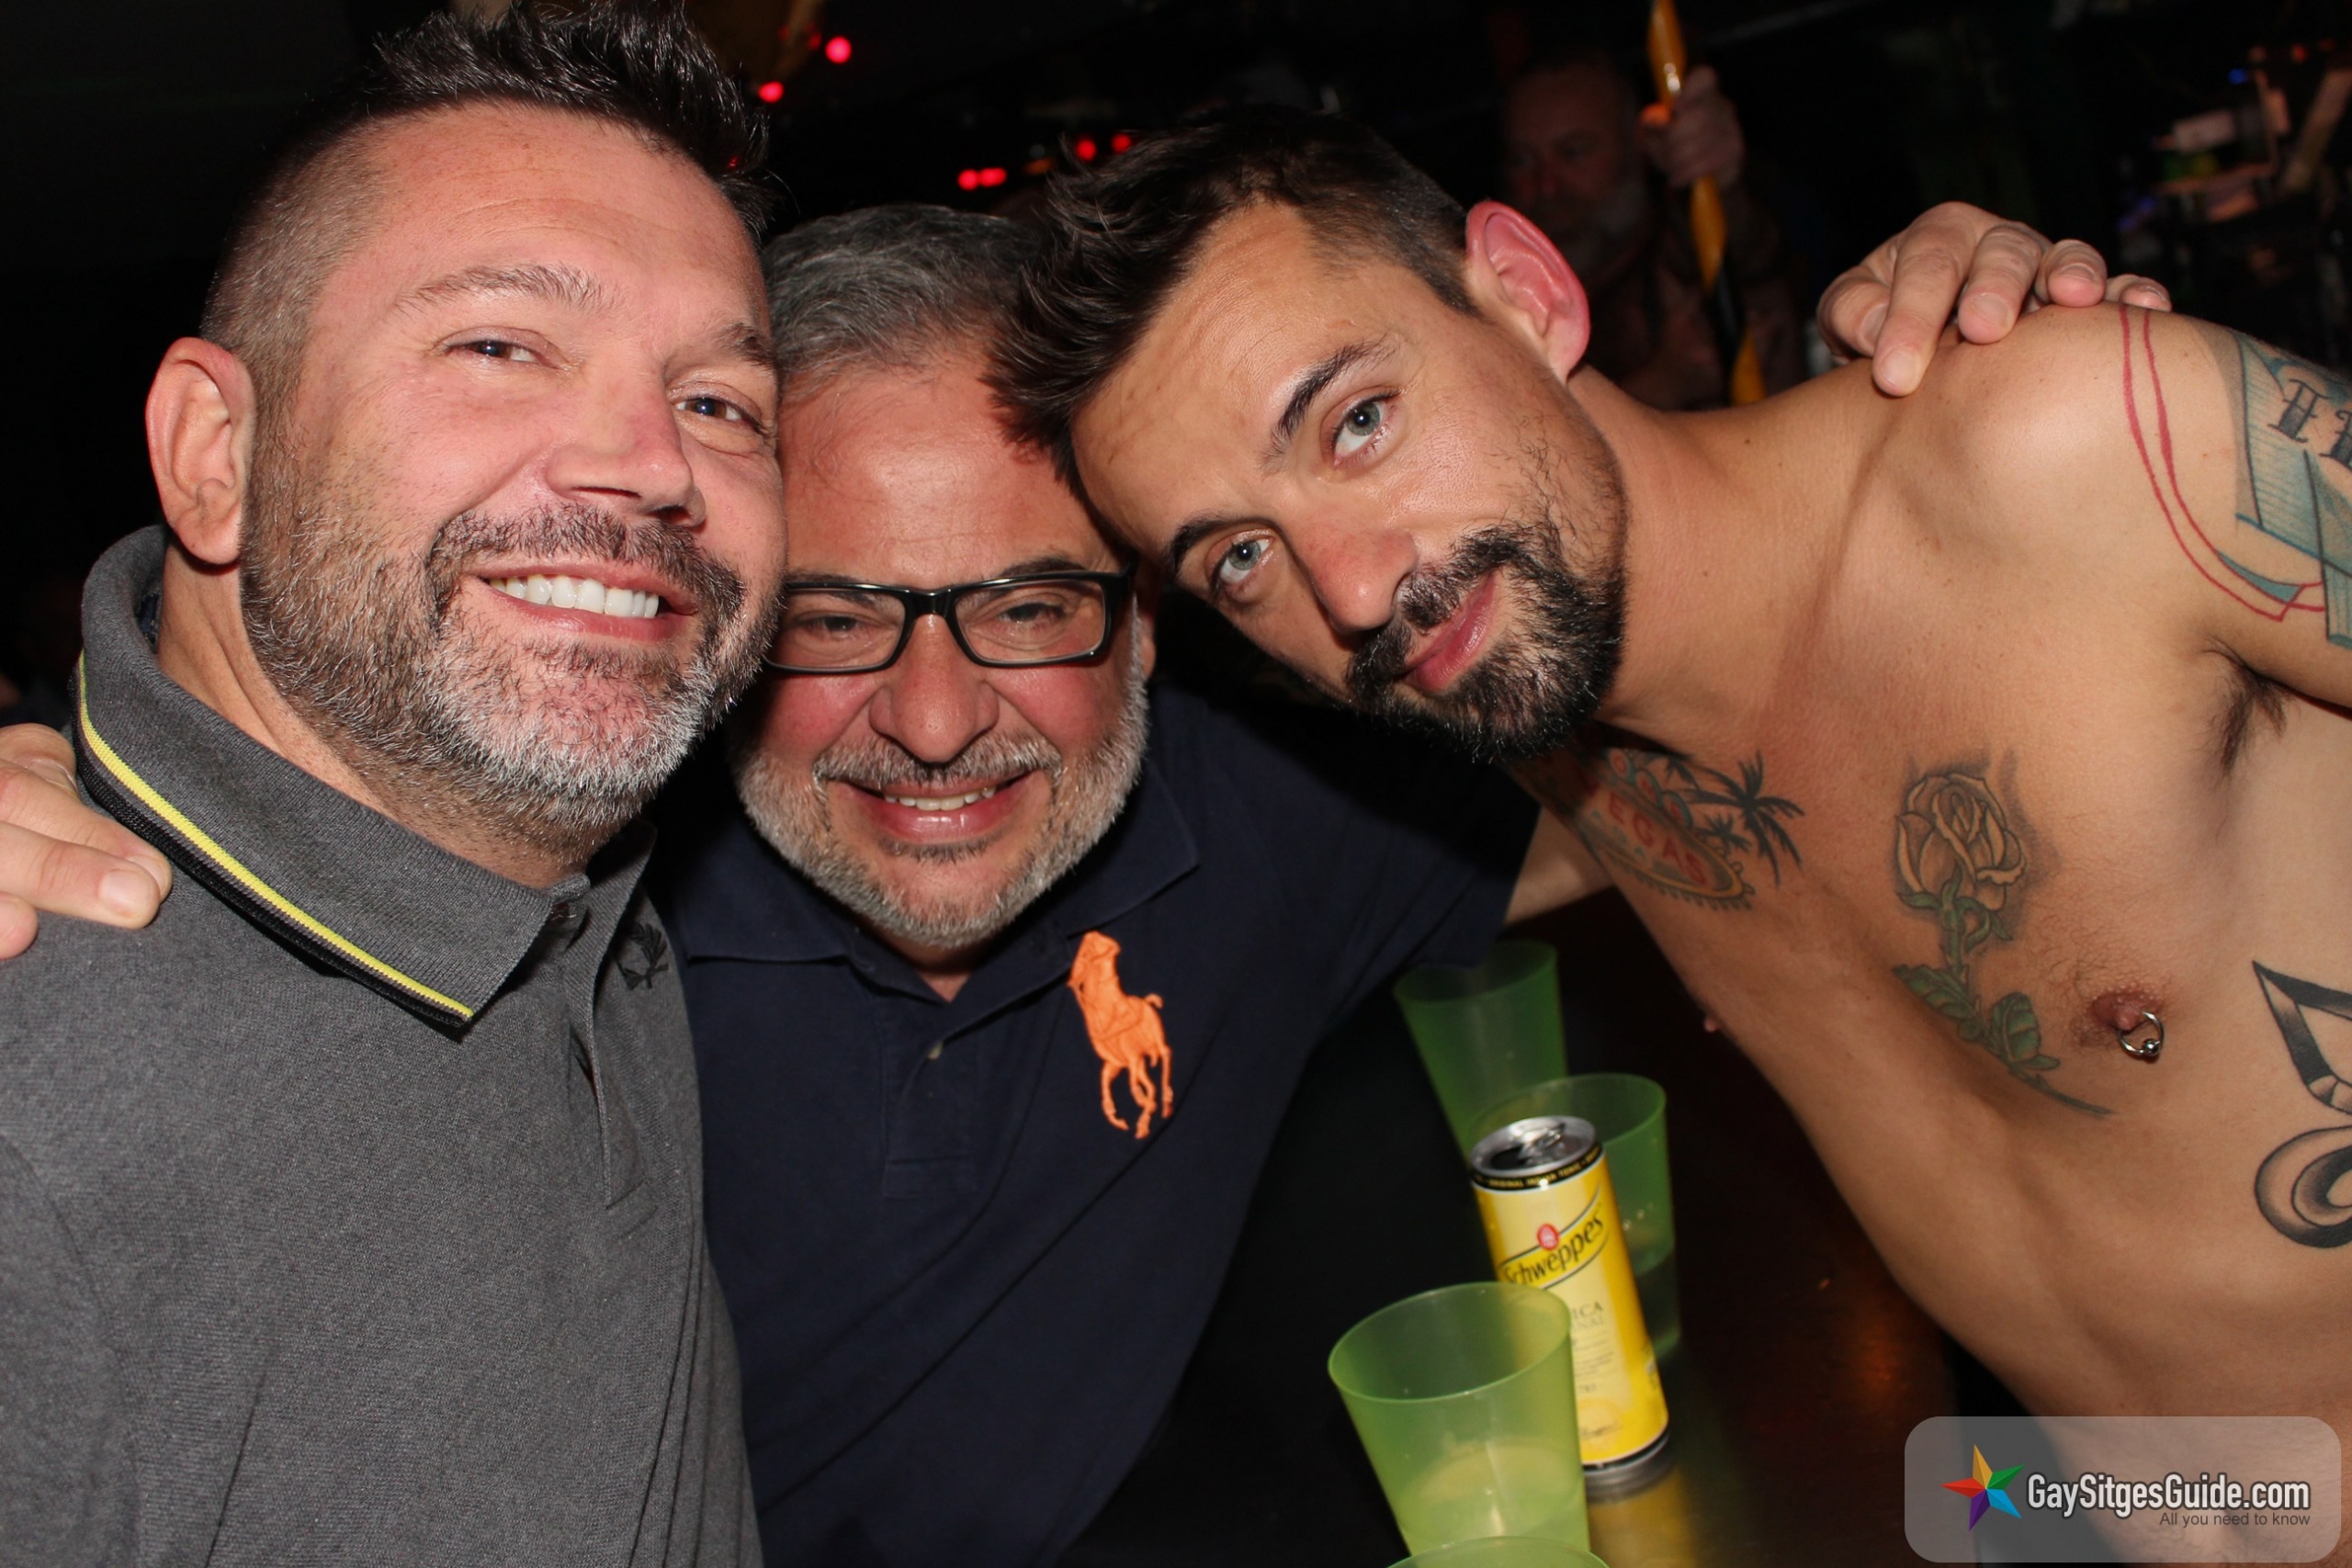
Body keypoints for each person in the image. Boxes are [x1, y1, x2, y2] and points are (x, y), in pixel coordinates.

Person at [0, 189, 2155, 1567]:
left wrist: (1934, 429)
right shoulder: (573, 931)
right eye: (836, 617)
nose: (939, 718)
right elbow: (296, 769)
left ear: (1156, 625)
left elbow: (1749, 730)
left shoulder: (1277, 813)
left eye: (1031, 604)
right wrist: (73, 774)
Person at [997, 105, 2352, 1493]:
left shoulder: (2069, 451)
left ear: (1527, 294)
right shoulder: (1566, 757)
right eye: (1238, 559)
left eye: (1358, 422)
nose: (1350, 591)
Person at [0, 6, 784, 1561]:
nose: (654, 463)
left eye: (722, 403)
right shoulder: (42, 1142)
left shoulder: (594, 880)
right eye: (500, 345)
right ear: (214, 451)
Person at [1500, 48, 1802, 409]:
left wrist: (1717, 182)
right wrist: (1663, 383)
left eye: (1574, 152)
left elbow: (1743, 256)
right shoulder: (1497, 297)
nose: (1546, 186)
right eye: (1521, 160)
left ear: (1636, 148)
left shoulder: (1671, 257)